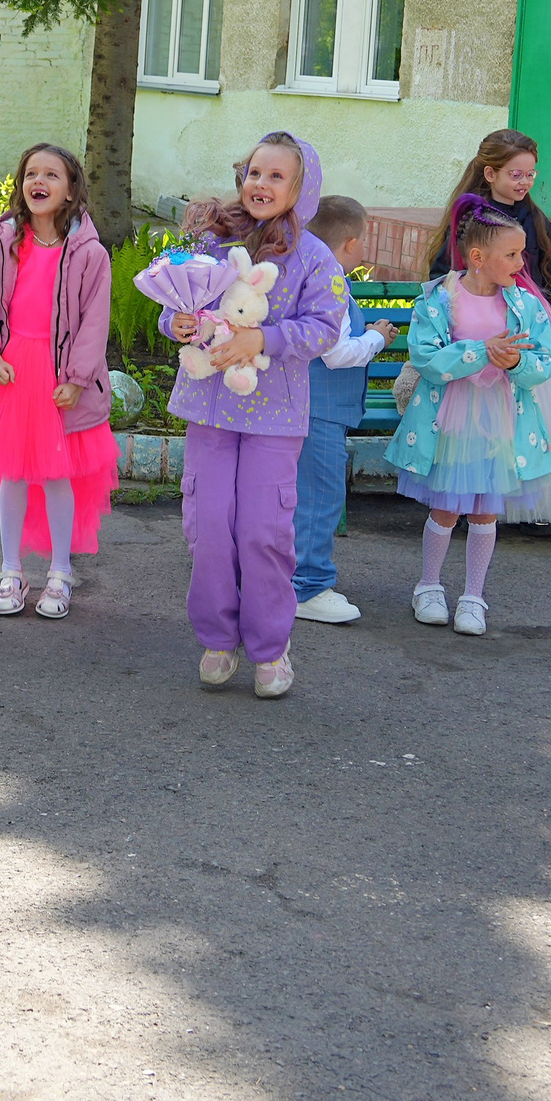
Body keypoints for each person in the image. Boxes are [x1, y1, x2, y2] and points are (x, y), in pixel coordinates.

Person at [156, 132, 343, 694]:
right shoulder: (213, 242)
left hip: (274, 419)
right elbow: (175, 300)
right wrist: (177, 323)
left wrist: (264, 338)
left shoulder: (315, 256)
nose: (261, 184)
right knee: (209, 527)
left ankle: (270, 649)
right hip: (209, 410)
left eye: (276, 176)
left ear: (301, 188)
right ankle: (217, 639)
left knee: (263, 532)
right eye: (254, 173)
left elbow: (325, 328)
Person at [0, 142, 116, 620]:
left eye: (51, 175)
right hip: (12, 370)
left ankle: (60, 573)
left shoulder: (89, 252)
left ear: (70, 189)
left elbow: (95, 322)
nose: (38, 182)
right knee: (14, 473)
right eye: (30, 174)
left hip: (61, 377)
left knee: (58, 474)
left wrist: (79, 378)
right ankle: (10, 570)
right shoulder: (2, 241)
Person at [383, 196, 551, 637]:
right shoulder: (439, 300)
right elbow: (426, 358)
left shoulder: (524, 305)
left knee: (485, 512)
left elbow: (544, 362)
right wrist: (483, 351)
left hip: (501, 421)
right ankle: (428, 586)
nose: (520, 264)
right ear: (478, 258)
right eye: (512, 255)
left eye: (521, 254)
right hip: (451, 420)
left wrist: (515, 362)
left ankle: (473, 596)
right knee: (446, 507)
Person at [424, 128, 551, 525]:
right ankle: (465, 503)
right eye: (516, 174)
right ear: (490, 174)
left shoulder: (538, 222)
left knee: (526, 427)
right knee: (478, 431)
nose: (524, 182)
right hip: (476, 346)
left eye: (531, 174)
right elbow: (444, 279)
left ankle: (522, 511)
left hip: (524, 344)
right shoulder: (469, 220)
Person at [295, 195, 387, 626]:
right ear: (350, 243)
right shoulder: (330, 282)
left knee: (297, 496)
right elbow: (336, 353)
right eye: (364, 239)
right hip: (323, 411)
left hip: (303, 406)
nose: (364, 247)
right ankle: (308, 586)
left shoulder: (305, 272)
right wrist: (377, 337)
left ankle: (282, 576)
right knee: (320, 497)